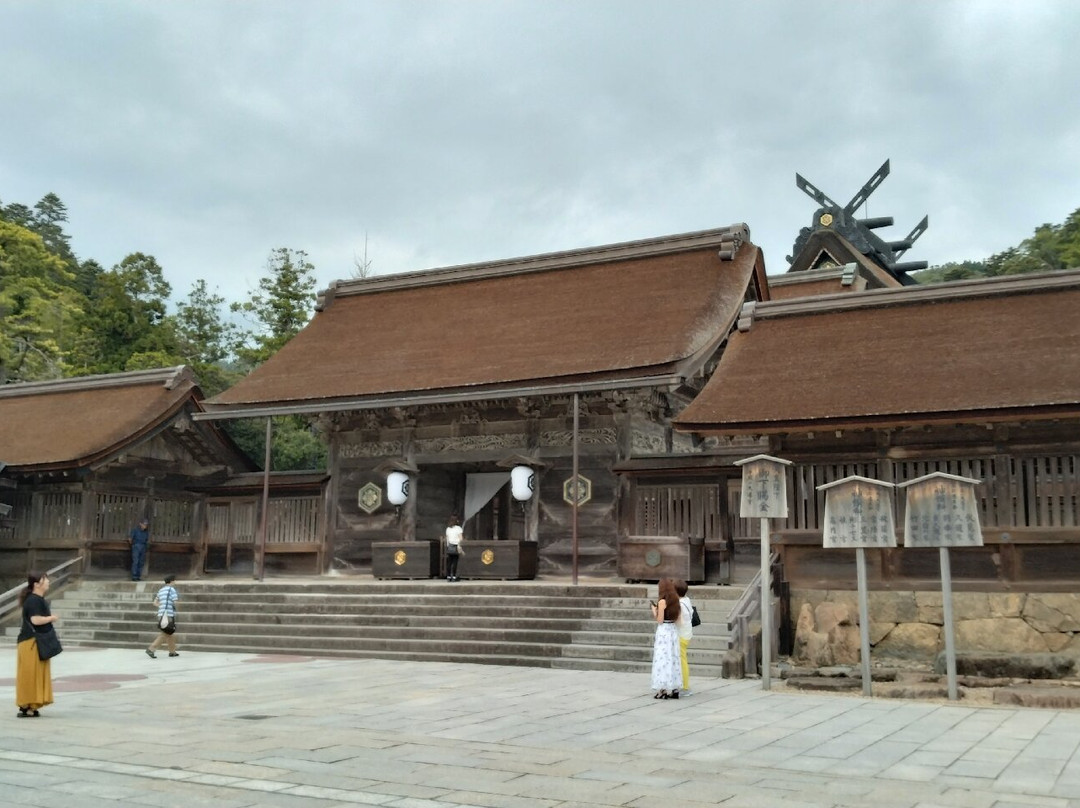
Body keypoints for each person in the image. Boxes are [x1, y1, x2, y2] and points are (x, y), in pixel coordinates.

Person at [16, 572, 58, 717]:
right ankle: (26, 705)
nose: (48, 582)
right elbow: (35, 620)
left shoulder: (38, 599)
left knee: (36, 674)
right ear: (36, 584)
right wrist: (51, 618)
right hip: (30, 642)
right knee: (30, 675)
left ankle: (32, 705)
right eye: (45, 579)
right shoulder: (34, 600)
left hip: (35, 642)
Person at [649, 577, 682, 699]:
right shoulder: (676, 600)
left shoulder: (662, 602)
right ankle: (675, 688)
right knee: (673, 658)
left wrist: (654, 610)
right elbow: (678, 619)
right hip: (673, 630)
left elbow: (660, 620)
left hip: (664, 632)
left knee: (662, 659)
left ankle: (662, 689)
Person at [146, 574, 180, 658]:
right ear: (172, 581)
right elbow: (175, 601)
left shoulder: (161, 590)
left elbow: (155, 603)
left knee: (169, 632)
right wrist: (176, 609)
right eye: (174, 580)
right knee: (165, 633)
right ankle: (151, 649)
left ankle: (172, 651)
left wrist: (161, 606)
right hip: (168, 614)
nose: (175, 582)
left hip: (161, 614)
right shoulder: (172, 590)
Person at [674, 579, 694, 696]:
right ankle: (681, 684)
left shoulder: (679, 604)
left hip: (681, 635)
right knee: (682, 659)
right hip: (687, 633)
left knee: (682, 661)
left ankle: (685, 687)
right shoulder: (687, 600)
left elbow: (678, 621)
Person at [444, 514, 464, 582]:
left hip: (450, 546)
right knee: (455, 562)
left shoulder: (448, 529)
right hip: (456, 546)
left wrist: (447, 546)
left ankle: (449, 576)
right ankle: (454, 576)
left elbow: (447, 538)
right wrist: (459, 546)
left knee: (449, 562)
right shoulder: (458, 529)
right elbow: (461, 538)